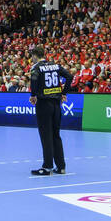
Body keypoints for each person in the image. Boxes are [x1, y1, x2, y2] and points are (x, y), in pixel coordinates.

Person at [28, 45, 72, 176]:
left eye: (32, 56)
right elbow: (69, 77)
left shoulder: (36, 68)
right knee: (56, 135)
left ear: (35, 55)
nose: (32, 59)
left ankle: (47, 167)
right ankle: (61, 166)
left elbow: (34, 82)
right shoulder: (55, 65)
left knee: (46, 135)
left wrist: (33, 95)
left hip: (43, 103)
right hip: (56, 104)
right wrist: (64, 93)